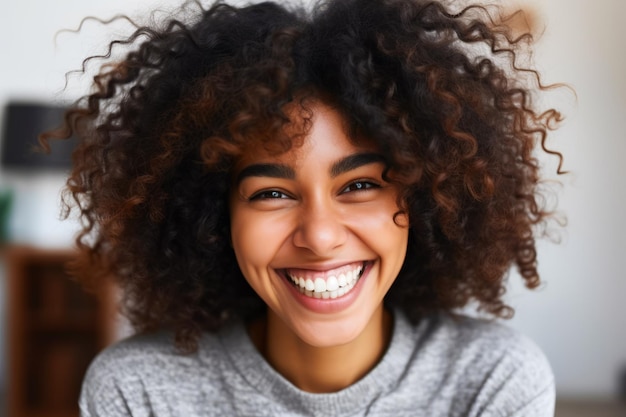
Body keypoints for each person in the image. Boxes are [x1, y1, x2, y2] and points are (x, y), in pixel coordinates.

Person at [52, 0, 565, 415]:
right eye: (271, 194)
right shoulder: (140, 392)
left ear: (423, 195)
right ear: (214, 217)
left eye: (360, 185)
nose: (319, 237)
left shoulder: (492, 381)